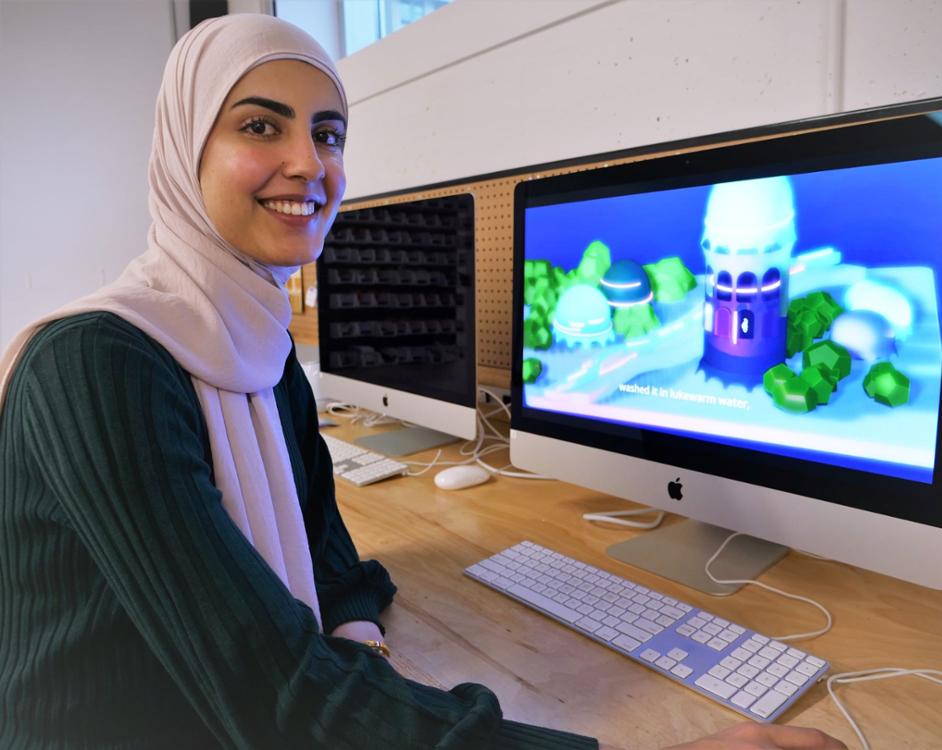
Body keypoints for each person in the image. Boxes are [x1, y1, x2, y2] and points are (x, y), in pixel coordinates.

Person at [0, 14, 847, 750]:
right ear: (184, 150)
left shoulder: (258, 355)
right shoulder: (99, 366)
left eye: (328, 134)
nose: (309, 162)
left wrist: (361, 650)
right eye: (260, 127)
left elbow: (326, 550)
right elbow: (274, 699)